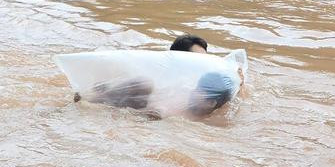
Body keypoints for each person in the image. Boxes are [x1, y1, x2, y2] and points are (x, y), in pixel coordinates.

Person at [75, 34, 233, 117]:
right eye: (199, 60)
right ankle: (89, 98)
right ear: (182, 60)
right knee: (144, 84)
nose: (204, 64)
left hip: (148, 118)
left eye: (206, 59)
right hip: (132, 102)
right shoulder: (159, 76)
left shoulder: (203, 85)